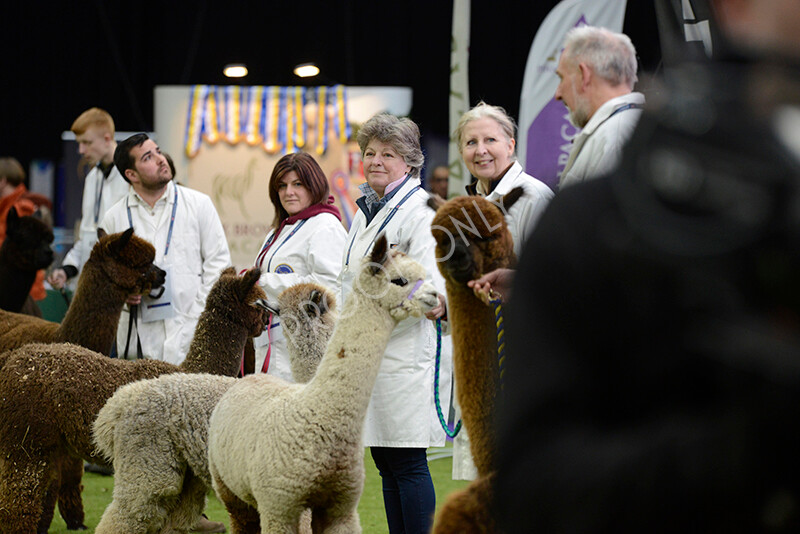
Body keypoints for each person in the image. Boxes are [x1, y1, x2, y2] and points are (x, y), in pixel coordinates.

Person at [494, 0, 800, 531]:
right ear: (738, 9)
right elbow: (539, 485)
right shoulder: (610, 217)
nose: (560, 92)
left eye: (564, 80)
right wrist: (752, 440)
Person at [338, 112, 450, 534]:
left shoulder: (420, 212)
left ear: (411, 162)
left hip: (403, 354)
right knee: (384, 460)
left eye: (389, 154)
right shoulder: (366, 210)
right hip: (369, 355)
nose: (376, 161)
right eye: (370, 153)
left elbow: (430, 291)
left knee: (406, 460)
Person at [100, 133, 231, 365]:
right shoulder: (114, 218)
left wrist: (197, 317)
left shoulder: (199, 205)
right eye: (148, 157)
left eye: (158, 151)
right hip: (137, 337)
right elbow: (106, 279)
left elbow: (219, 265)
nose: (161, 159)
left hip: (191, 331)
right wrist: (122, 293)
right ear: (131, 175)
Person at [251, 152, 346, 380]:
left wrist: (260, 282)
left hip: (305, 351)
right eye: (282, 186)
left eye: (298, 184)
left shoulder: (325, 227)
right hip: (273, 344)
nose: (288, 192)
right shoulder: (280, 230)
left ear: (314, 185)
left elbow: (326, 289)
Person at [456, 101, 554, 257]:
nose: (481, 150)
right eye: (471, 142)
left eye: (490, 140)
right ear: (461, 152)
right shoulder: (469, 203)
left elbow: (547, 271)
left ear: (510, 146)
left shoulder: (535, 197)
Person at [47, 108, 129, 291]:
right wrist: (67, 270)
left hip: (120, 285)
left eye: (86, 142)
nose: (81, 150)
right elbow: (87, 235)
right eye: (79, 143)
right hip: (92, 285)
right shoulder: (93, 178)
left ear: (107, 139)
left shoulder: (131, 177)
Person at [555, 25, 645, 190]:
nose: (557, 94)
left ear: (584, 75)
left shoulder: (614, 136)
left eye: (561, 78)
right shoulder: (626, 128)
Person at [0, 157, 51, 309]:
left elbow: (23, 251)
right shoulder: (7, 207)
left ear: (2, 181)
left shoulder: (22, 208)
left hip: (23, 292)